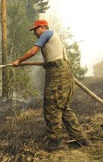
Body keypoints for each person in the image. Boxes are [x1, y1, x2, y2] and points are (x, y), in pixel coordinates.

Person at [12, 19, 92, 152]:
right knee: (64, 107)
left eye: (35, 30)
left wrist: (19, 60)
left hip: (58, 73)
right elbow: (53, 58)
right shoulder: (53, 38)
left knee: (52, 107)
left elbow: (33, 52)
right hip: (64, 71)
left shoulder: (47, 33)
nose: (34, 33)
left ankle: (56, 142)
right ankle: (82, 139)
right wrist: (47, 64)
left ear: (42, 27)